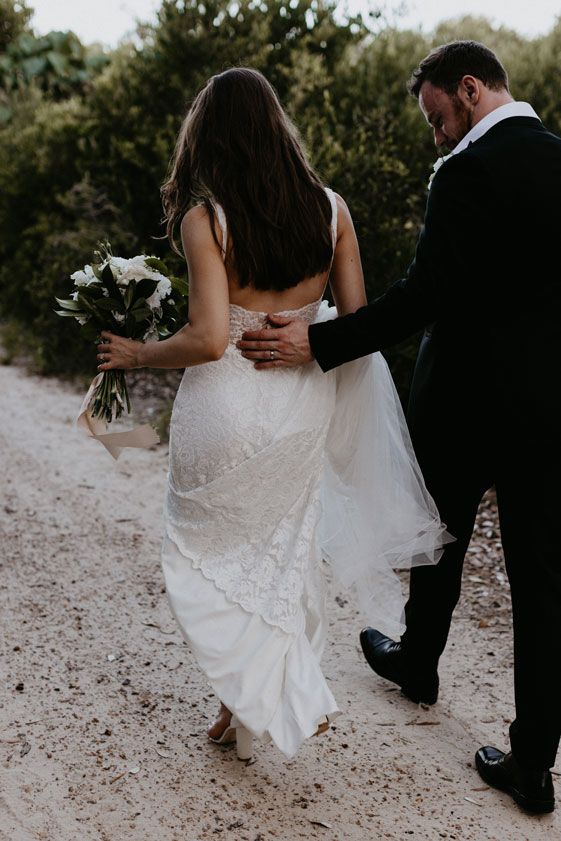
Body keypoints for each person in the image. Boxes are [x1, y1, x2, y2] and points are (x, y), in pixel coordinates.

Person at [238, 41, 561, 811]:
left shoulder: (465, 172)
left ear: (471, 88)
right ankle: (531, 764)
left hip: (461, 402)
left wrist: (313, 342)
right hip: (550, 407)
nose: (435, 134)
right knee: (544, 583)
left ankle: (418, 664)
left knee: (437, 537)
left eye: (436, 116)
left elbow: (423, 295)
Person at [95, 67, 448, 761]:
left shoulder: (208, 219)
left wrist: (135, 354)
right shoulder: (332, 211)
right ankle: (245, 692)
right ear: (277, 129)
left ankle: (254, 689)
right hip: (300, 400)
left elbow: (206, 339)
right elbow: (357, 320)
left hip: (224, 400)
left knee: (199, 551)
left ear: (210, 137)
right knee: (278, 555)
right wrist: (306, 335)